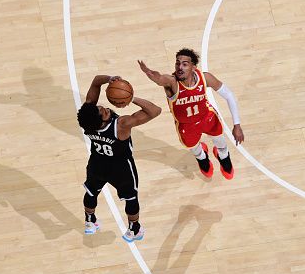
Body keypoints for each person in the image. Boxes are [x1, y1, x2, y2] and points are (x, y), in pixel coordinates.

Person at [77, 75, 161, 242]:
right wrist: (131, 97)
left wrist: (109, 79)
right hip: (120, 168)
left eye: (102, 107)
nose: (106, 108)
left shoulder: (88, 119)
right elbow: (155, 111)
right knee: (131, 198)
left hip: (97, 163)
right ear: (100, 121)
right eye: (104, 111)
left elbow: (95, 82)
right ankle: (134, 229)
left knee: (91, 191)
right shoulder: (121, 125)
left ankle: (90, 221)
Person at [138, 48, 244, 179]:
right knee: (194, 148)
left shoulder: (205, 78)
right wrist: (149, 73)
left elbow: (228, 95)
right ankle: (202, 157)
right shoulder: (172, 82)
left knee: (220, 141)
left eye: (184, 64)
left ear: (193, 67)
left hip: (207, 117)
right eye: (177, 63)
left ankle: (223, 156)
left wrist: (237, 125)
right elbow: (159, 78)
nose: (180, 67)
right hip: (186, 125)